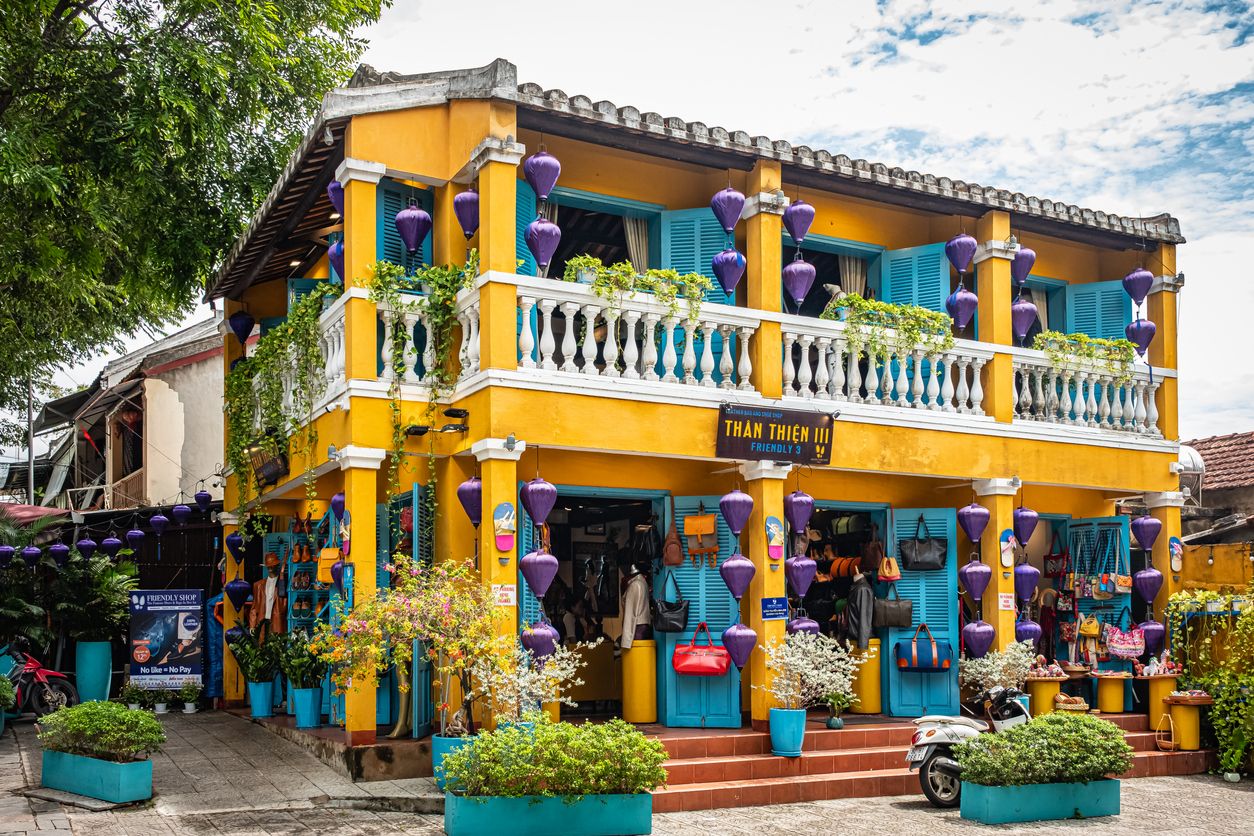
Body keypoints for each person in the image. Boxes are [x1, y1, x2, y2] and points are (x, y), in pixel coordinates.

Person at [249, 553, 286, 639]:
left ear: (276, 565)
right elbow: (254, 608)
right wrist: (252, 625)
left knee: (277, 648)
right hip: (262, 623)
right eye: (269, 566)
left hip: (277, 622)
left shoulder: (282, 584)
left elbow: (285, 605)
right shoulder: (258, 585)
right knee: (262, 647)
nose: (270, 568)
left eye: (272, 565)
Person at [619, 561, 652, 650]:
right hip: (643, 626)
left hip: (636, 628)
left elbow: (630, 614)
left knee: (635, 657)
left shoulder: (635, 585)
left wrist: (626, 640)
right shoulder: (642, 582)